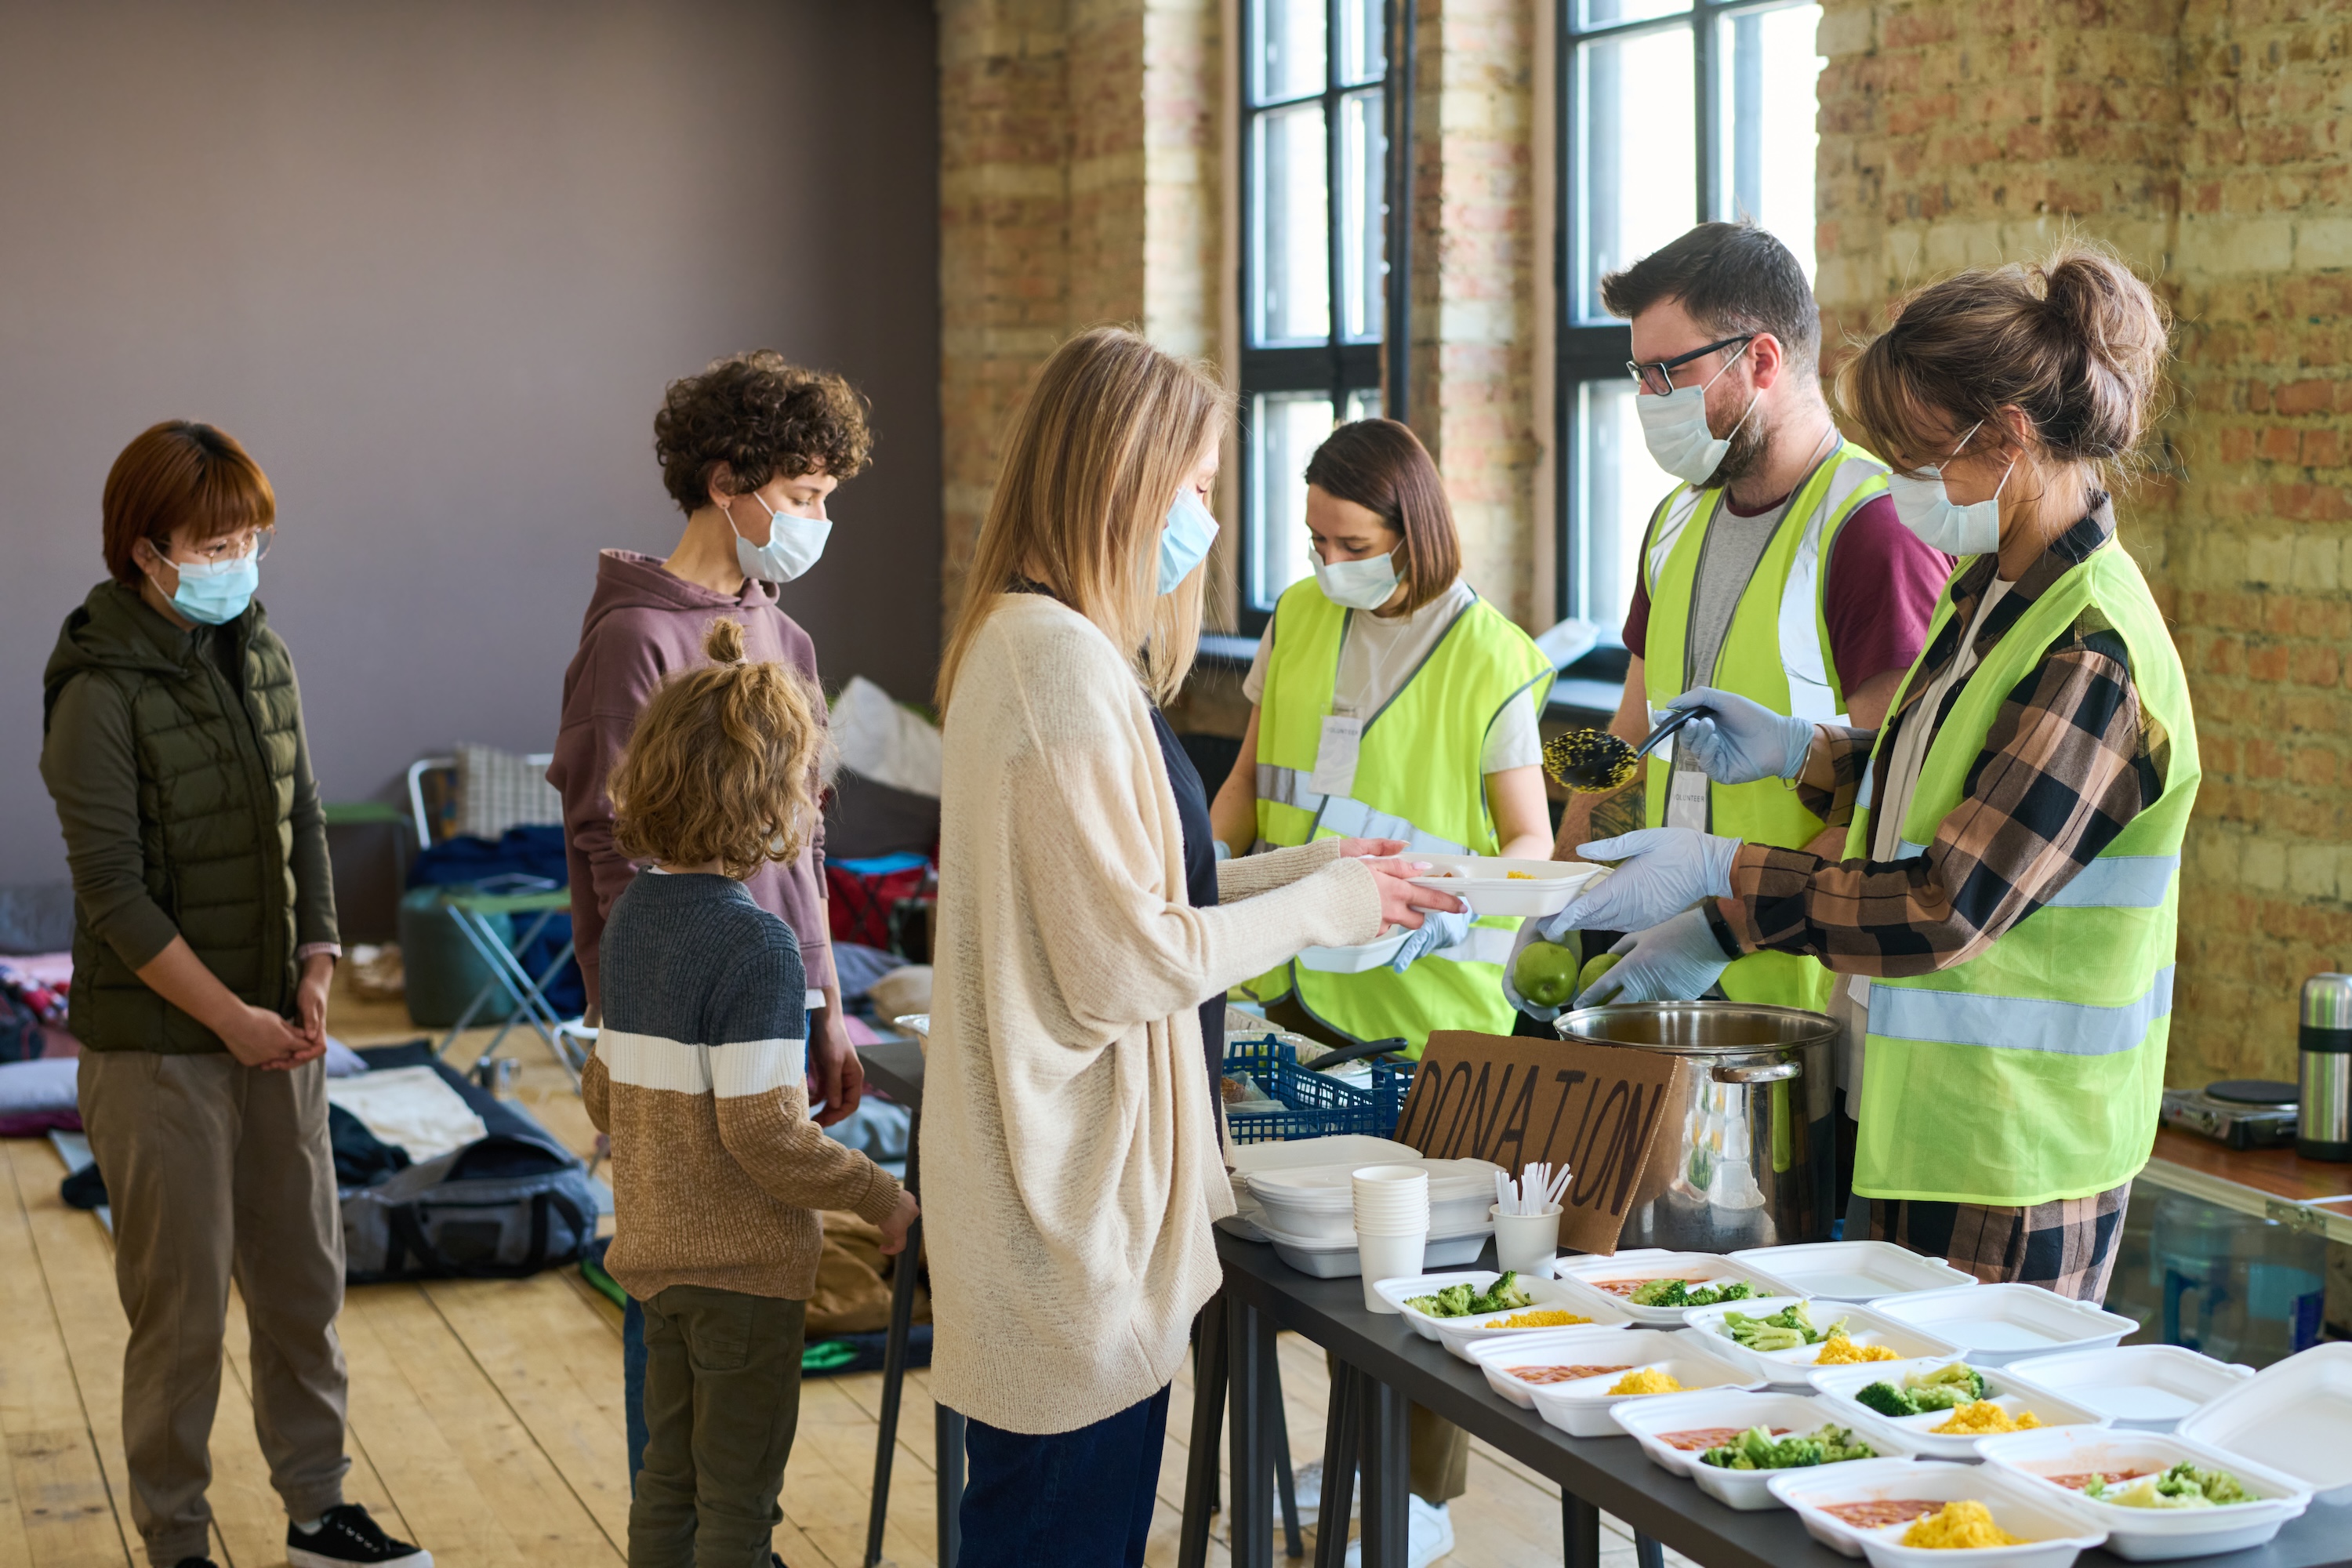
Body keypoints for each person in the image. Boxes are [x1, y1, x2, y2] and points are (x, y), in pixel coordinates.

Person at [1552, 243, 2194, 1298]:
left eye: (1916, 456)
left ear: (2009, 440)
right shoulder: (1993, 593)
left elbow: (1945, 901)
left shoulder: (2093, 654)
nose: (1900, 484)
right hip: (1919, 1115)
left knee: (1952, 1450)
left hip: (2012, 1149)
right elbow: (1946, 777)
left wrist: (1725, 881)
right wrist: (1814, 754)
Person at [923, 326, 1463, 1568]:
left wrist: (1328, 870)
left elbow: (1147, 886)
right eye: (1202, 490)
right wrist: (1325, 912)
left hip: (1067, 1217)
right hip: (1066, 1227)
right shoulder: (1057, 664)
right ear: (1125, 478)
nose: (1207, 523)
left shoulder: (1043, 643)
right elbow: (1125, 961)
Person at [40, 422, 428, 1568]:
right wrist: (231, 1021)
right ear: (146, 548)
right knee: (183, 1320)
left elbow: (300, 816)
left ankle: (317, 1514)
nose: (241, 557)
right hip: (160, 1052)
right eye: (218, 539)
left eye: (254, 535)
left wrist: (317, 967)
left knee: (305, 1282)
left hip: (279, 1035)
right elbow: (114, 895)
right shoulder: (94, 690)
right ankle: (176, 1544)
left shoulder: (263, 652)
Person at [548, 350, 872, 1483]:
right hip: (672, 1017)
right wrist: (636, 1022)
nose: (816, 521)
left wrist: (826, 1003)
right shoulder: (632, 638)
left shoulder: (787, 639)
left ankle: (737, 1523)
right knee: (675, 1262)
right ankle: (674, 1521)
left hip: (775, 996)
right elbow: (607, 847)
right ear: (726, 481)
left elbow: (809, 846)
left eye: (827, 499)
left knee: (761, 1257)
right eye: (801, 498)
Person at [1524, 223, 1953, 1021]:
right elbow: (1628, 745)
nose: (1649, 399)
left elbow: (1888, 804)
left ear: (1761, 360)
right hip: (1655, 978)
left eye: (1668, 373)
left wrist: (1714, 934)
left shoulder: (1871, 529)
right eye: (1638, 373)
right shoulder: (1674, 524)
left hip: (1794, 996)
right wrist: (1558, 906)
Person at [582, 618, 917, 1568]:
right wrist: (878, 1196)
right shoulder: (757, 944)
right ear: (771, 801)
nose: (819, 808)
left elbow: (604, 1093)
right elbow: (767, 1138)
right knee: (738, 1503)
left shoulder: (634, 917)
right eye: (813, 787)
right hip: (744, 1278)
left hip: (653, 1263)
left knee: (668, 1482)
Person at [1210, 418, 1555, 1058]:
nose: (1331, 564)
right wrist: (1202, 866)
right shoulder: (1297, 614)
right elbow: (1247, 781)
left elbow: (1531, 838)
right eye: (1317, 542)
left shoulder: (1490, 656)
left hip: (1419, 1007)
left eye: (1355, 545)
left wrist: (1464, 907)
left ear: (1412, 534)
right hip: (1278, 979)